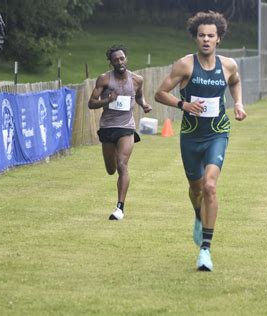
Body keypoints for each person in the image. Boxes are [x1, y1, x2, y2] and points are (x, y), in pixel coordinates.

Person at [154, 11, 247, 271]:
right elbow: (160, 93)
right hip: (191, 137)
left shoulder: (228, 65)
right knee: (196, 189)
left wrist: (238, 103)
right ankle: (198, 214)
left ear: (219, 39)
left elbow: (236, 83)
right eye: (201, 35)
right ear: (196, 38)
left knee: (210, 186)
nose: (206, 39)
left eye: (211, 36)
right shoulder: (185, 65)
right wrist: (183, 104)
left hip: (217, 132)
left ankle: (205, 250)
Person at [89, 44, 152, 220]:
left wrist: (144, 104)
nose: (119, 62)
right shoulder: (104, 79)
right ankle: (119, 204)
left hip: (126, 127)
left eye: (122, 58)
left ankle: (119, 208)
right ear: (111, 63)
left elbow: (138, 95)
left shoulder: (137, 79)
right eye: (115, 60)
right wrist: (107, 100)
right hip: (108, 127)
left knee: (122, 165)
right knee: (110, 169)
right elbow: (91, 103)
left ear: (126, 59)